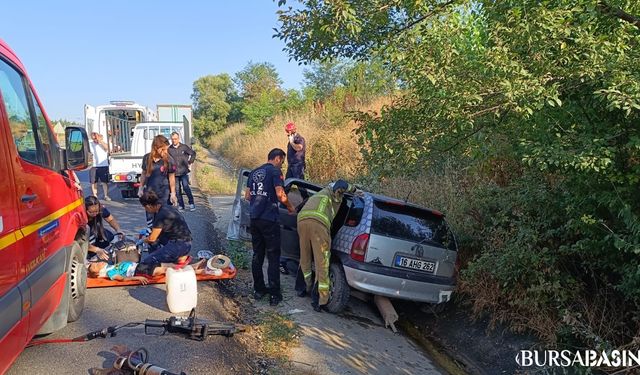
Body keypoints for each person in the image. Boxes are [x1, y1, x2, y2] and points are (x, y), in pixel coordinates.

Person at [296, 179, 359, 312]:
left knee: (305, 257)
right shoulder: (334, 193)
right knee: (322, 263)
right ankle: (320, 300)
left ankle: (302, 288)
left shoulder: (319, 194)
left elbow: (299, 208)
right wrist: (355, 190)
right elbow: (341, 183)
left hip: (302, 221)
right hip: (318, 225)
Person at [245, 148, 296, 306]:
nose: (281, 166)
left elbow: (247, 196)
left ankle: (259, 290)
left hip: (255, 219)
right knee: (273, 257)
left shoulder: (254, 172)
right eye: (282, 162)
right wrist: (290, 207)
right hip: (269, 220)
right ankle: (275, 294)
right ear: (278, 159)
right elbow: (280, 194)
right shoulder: (275, 172)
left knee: (257, 255)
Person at [139, 191, 193, 266]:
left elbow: (152, 238)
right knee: (154, 242)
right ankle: (164, 256)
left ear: (148, 206)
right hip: (186, 241)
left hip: (179, 245)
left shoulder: (161, 215)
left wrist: (142, 240)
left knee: (148, 262)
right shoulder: (166, 207)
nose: (146, 210)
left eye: (145, 207)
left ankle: (177, 260)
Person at [280, 122, 306, 274]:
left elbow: (299, 149)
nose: (287, 134)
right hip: (291, 166)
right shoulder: (291, 139)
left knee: (300, 187)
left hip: (298, 166)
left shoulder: (298, 139)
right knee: (287, 187)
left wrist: (291, 141)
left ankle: (304, 203)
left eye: (288, 132)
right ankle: (282, 204)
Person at [138, 135, 177, 229]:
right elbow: (143, 173)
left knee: (163, 217)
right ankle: (152, 237)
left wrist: (173, 193)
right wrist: (141, 187)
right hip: (150, 192)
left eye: (166, 149)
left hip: (164, 193)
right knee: (150, 218)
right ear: (156, 147)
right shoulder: (147, 158)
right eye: (163, 149)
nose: (165, 152)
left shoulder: (169, 160)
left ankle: (163, 239)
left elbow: (171, 177)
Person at [87, 258, 207, 285]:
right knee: (167, 269)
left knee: (168, 265)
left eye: (97, 263)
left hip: (139, 265)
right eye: (97, 266)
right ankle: (197, 271)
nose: (99, 263)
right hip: (138, 270)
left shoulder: (109, 267)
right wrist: (137, 278)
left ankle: (194, 266)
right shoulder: (109, 273)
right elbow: (122, 278)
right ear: (98, 273)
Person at [85, 195, 124, 260]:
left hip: (96, 229)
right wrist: (96, 250)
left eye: (96, 211)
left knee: (110, 237)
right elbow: (81, 243)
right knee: (91, 244)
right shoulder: (80, 216)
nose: (95, 214)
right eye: (91, 212)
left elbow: (110, 219)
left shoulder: (101, 209)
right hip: (86, 233)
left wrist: (118, 230)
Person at [168, 132, 196, 212]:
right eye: (173, 139)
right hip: (174, 173)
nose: (174, 141)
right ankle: (181, 205)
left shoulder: (184, 147)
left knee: (186, 186)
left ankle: (191, 203)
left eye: (176, 139)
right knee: (177, 190)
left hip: (184, 172)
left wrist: (190, 162)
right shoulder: (169, 149)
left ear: (178, 138)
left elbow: (193, 154)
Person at [89, 132, 111, 201]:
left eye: (96, 137)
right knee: (93, 181)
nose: (95, 139)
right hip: (93, 165)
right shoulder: (90, 144)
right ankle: (95, 195)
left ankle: (106, 195)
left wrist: (100, 141)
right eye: (93, 138)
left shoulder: (103, 143)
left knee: (104, 181)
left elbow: (107, 148)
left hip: (103, 165)